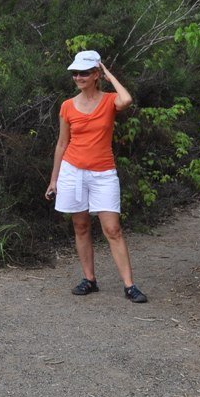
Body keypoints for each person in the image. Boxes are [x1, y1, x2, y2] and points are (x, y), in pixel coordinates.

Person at [45, 50, 147, 303]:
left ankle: (130, 285)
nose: (78, 77)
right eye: (75, 73)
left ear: (95, 75)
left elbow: (127, 99)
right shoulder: (67, 106)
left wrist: (108, 74)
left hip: (103, 173)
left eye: (84, 72)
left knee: (112, 229)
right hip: (72, 171)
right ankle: (89, 279)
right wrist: (54, 180)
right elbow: (61, 144)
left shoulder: (110, 100)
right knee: (80, 226)